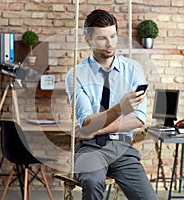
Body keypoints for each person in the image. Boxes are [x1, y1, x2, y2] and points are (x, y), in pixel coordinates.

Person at [65, 9, 157, 200]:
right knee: (92, 182)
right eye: (101, 38)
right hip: (90, 148)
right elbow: (87, 123)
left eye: (113, 36)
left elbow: (138, 119)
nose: (110, 44)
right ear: (88, 40)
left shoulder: (133, 70)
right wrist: (120, 109)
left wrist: (97, 130)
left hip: (122, 148)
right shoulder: (76, 76)